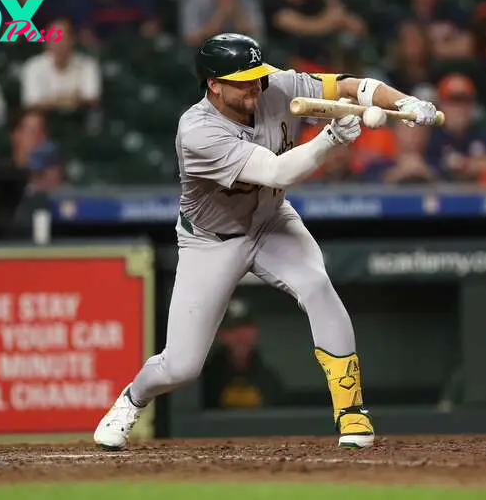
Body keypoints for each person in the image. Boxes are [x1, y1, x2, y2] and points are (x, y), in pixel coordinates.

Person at [93, 32, 438, 450]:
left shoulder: (277, 83)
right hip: (212, 240)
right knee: (181, 367)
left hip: (271, 220)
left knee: (317, 286)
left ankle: (351, 412)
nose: (255, 86)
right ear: (213, 84)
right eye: (242, 80)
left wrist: (402, 102)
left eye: (256, 75)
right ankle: (132, 399)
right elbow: (277, 173)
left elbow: (351, 85)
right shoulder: (197, 131)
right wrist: (330, 139)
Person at [201, 298, 284, 409]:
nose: (240, 336)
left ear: (255, 331)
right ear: (220, 334)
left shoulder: (270, 380)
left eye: (245, 328)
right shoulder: (205, 380)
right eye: (232, 329)